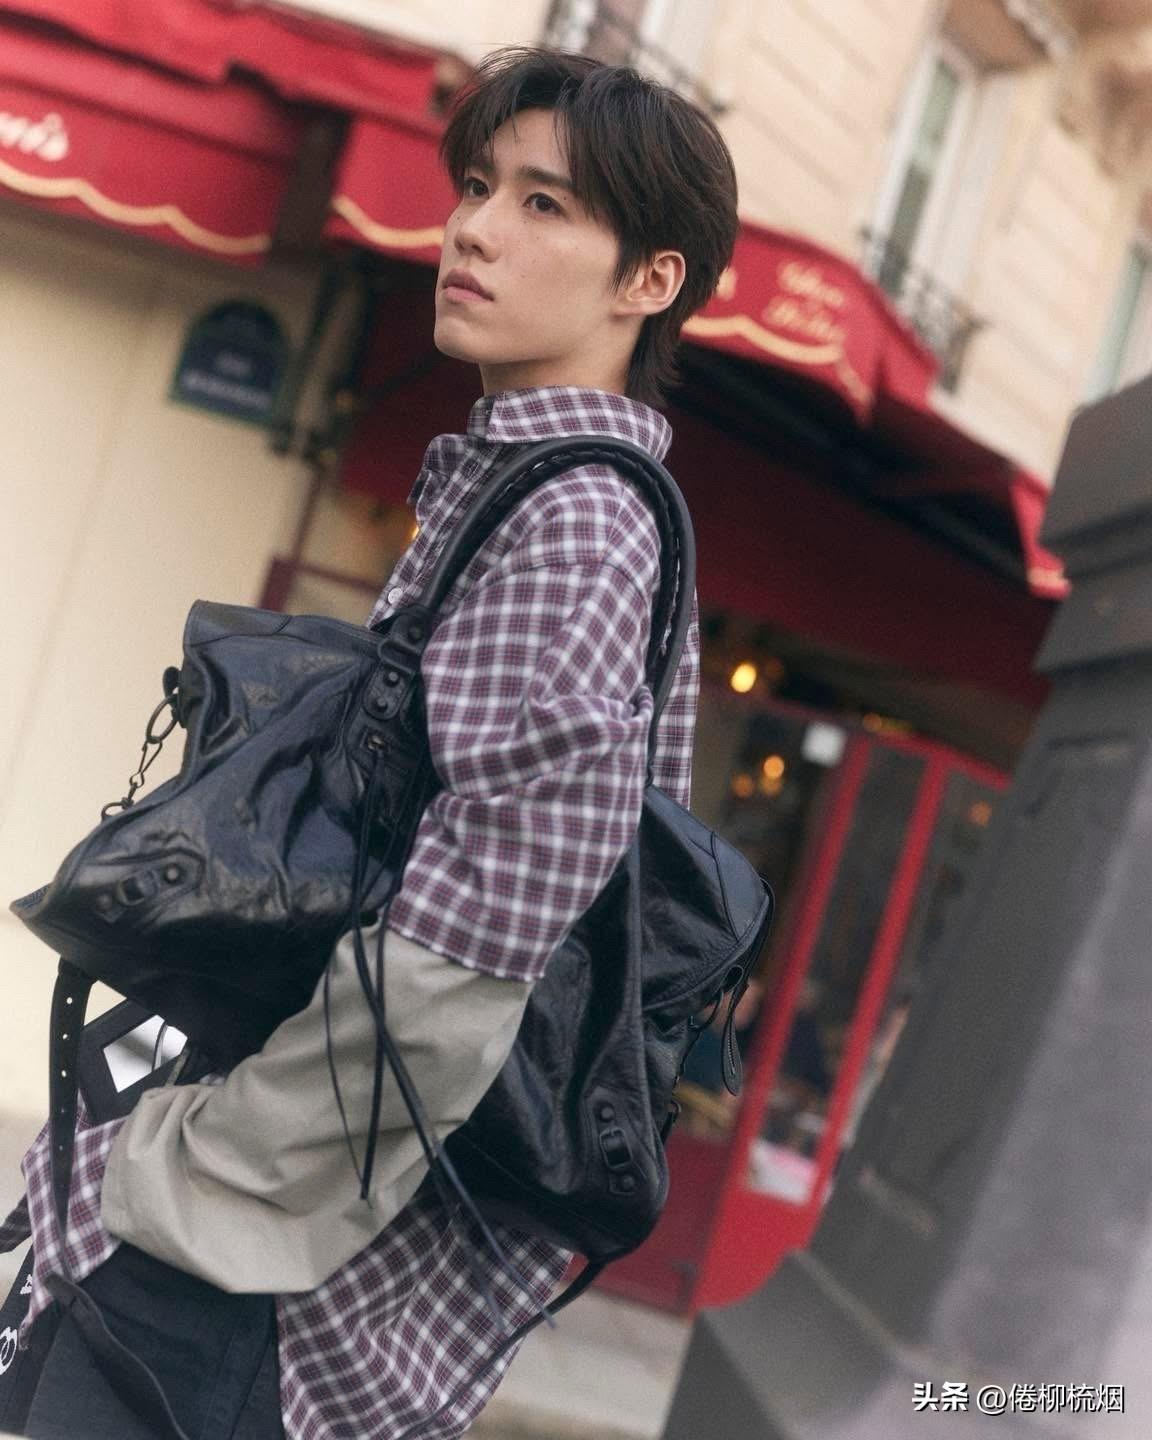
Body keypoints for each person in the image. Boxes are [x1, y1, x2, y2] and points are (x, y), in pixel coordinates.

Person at [0, 45, 739, 1439]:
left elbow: (470, 948)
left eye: (543, 204)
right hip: (266, 1254)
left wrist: (212, 1178)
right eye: (477, 186)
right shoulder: (526, 484)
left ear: (651, 281)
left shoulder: (577, 522)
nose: (474, 228)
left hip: (259, 1290)